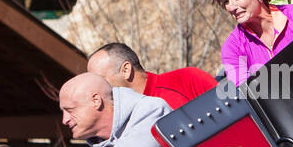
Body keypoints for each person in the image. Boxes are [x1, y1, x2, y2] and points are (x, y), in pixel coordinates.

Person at [86, 42, 215, 109]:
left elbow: (231, 110)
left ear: (126, 70)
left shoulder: (187, 79)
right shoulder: (120, 121)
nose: (96, 89)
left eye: (100, 80)